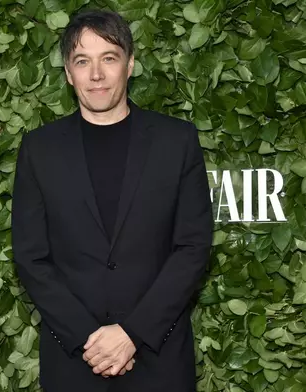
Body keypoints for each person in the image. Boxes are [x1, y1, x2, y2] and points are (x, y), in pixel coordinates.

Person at [11, 9, 213, 392]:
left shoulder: (176, 141)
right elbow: (31, 256)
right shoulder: (40, 149)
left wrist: (132, 333)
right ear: (69, 74)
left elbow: (193, 246)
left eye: (109, 58)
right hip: (74, 360)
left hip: (159, 360)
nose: (97, 74)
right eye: (82, 61)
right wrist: (91, 339)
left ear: (130, 64)